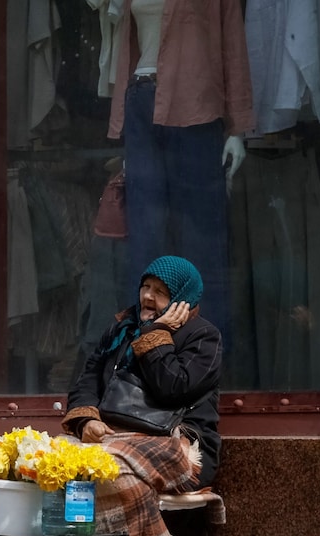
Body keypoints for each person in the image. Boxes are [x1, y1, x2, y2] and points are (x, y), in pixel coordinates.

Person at [62, 255, 222, 536]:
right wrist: (86, 420)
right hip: (116, 439)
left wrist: (156, 336)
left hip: (182, 446)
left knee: (108, 462)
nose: (148, 297)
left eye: (160, 292)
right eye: (145, 287)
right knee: (63, 458)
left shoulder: (204, 337)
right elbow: (87, 379)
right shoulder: (122, 328)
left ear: (182, 300)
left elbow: (174, 388)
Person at [107, 0, 254, 342]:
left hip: (195, 109)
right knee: (146, 238)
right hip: (142, 103)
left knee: (201, 240)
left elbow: (232, 44)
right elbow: (128, 43)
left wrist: (237, 128)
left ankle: (204, 355)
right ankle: (149, 354)